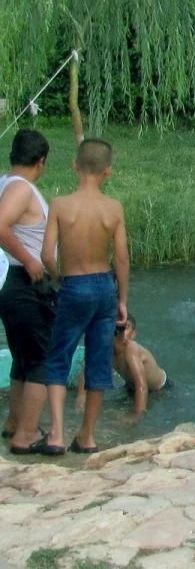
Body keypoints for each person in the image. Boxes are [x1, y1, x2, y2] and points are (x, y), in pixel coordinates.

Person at [39, 138, 129, 456]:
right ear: (108, 171)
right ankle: (87, 436)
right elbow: (121, 259)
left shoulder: (61, 205)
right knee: (98, 361)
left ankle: (57, 435)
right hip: (105, 287)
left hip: (74, 284)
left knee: (59, 356)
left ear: (75, 165)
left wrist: (59, 276)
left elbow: (47, 254)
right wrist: (122, 300)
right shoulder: (113, 209)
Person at [1, 130, 55, 454]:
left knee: (23, 357)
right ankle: (27, 434)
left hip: (11, 283)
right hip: (22, 279)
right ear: (41, 162)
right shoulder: (21, 188)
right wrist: (30, 261)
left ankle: (14, 423)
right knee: (42, 359)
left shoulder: (5, 183)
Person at [82, 316, 168, 420]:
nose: (120, 330)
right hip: (131, 387)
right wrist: (81, 396)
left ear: (133, 334)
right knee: (106, 410)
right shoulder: (107, 348)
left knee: (139, 415)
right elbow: (86, 372)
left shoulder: (131, 349)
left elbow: (142, 386)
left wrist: (137, 415)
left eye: (127, 327)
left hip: (159, 390)